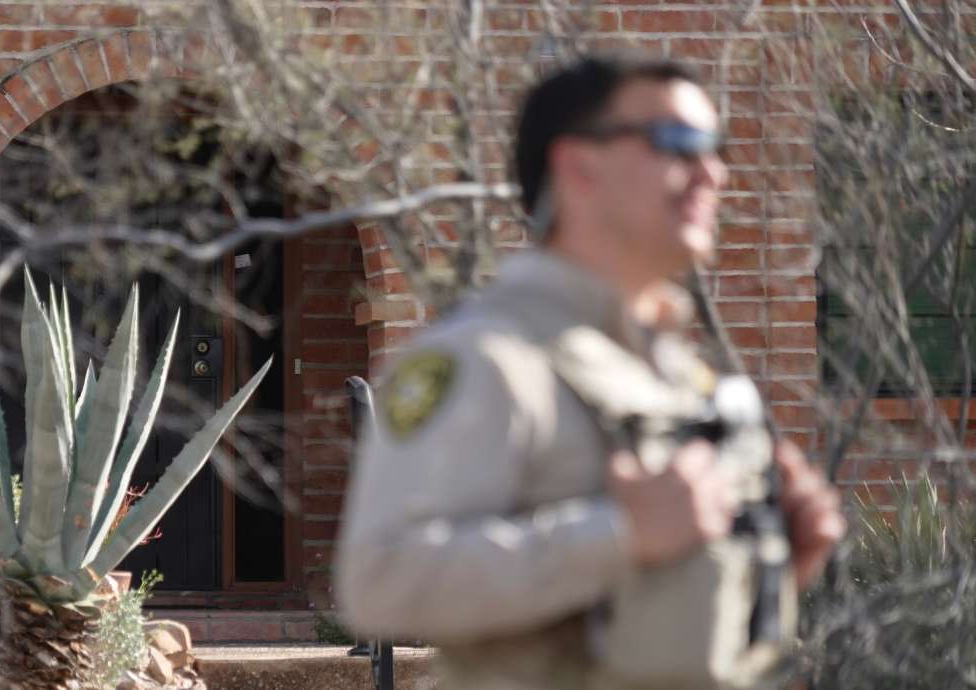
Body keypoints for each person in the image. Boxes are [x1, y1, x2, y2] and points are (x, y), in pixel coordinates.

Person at [333, 55, 846, 690]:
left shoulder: (680, 376)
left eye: (715, 148)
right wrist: (619, 534)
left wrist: (774, 566)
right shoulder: (483, 359)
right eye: (678, 144)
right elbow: (381, 582)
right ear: (578, 166)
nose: (711, 172)